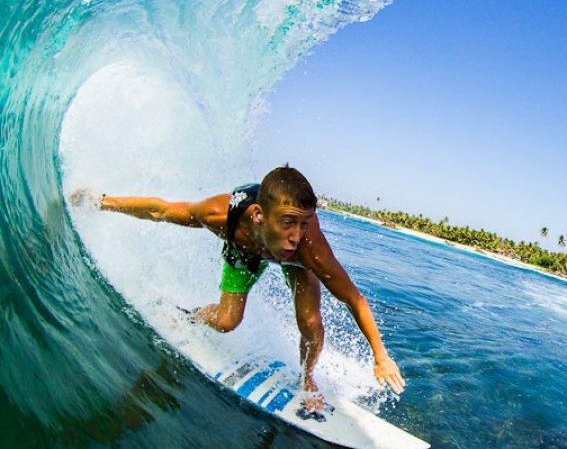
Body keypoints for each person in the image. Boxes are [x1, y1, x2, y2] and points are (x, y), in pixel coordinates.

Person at [70, 165, 404, 410]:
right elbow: (162, 210)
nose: (296, 235)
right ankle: (192, 316)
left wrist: (380, 356)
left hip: (294, 264)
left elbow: (354, 299)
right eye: (288, 222)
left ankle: (307, 378)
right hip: (245, 249)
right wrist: (102, 201)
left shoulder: (307, 248)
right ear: (259, 215)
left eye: (304, 224)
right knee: (228, 321)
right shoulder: (222, 218)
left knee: (312, 323)